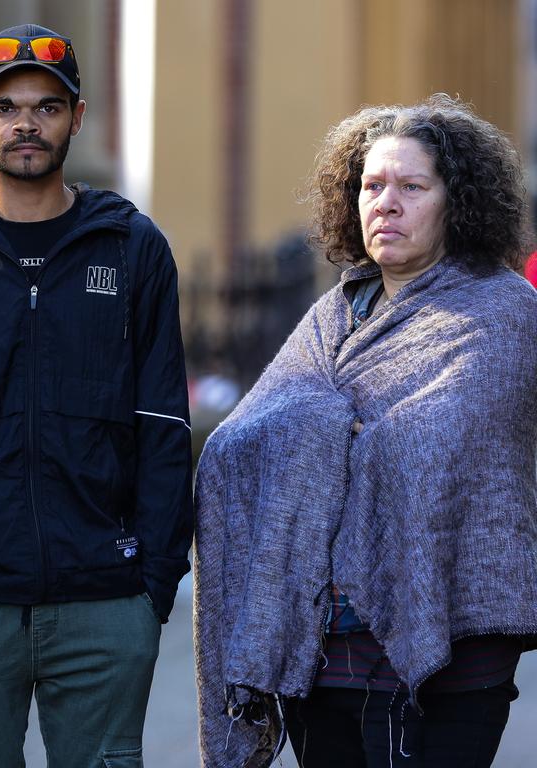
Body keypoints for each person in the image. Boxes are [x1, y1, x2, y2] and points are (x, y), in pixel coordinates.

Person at [0, 23, 193, 767]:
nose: (26, 122)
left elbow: (163, 427)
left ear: (76, 119)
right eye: (7, 105)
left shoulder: (131, 247)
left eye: (47, 107)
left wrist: (151, 587)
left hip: (104, 602)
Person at [193, 94, 537, 768]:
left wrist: (332, 430)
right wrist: (322, 428)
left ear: (456, 201)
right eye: (373, 186)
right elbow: (237, 447)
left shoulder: (505, 318)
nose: (387, 202)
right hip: (322, 662)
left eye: (412, 186)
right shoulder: (330, 319)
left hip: (453, 657)